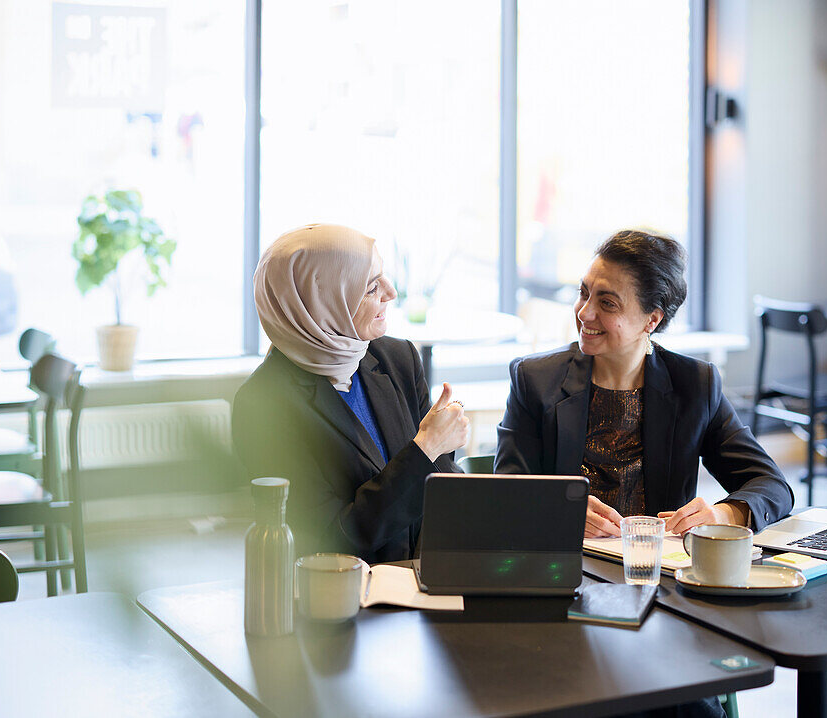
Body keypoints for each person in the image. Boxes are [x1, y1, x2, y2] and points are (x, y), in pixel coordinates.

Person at [496, 229, 793, 538]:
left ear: (652, 320)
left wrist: (722, 514)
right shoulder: (535, 379)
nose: (585, 313)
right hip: (563, 564)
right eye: (584, 293)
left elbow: (772, 485)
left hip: (656, 572)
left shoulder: (694, 384)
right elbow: (505, 490)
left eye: (607, 303)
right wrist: (558, 508)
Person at [232, 223, 469, 564]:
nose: (391, 293)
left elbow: (440, 488)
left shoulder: (397, 358)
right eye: (371, 287)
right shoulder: (263, 405)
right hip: (334, 597)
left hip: (422, 578)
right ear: (321, 302)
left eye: (383, 278)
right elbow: (332, 537)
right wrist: (427, 446)